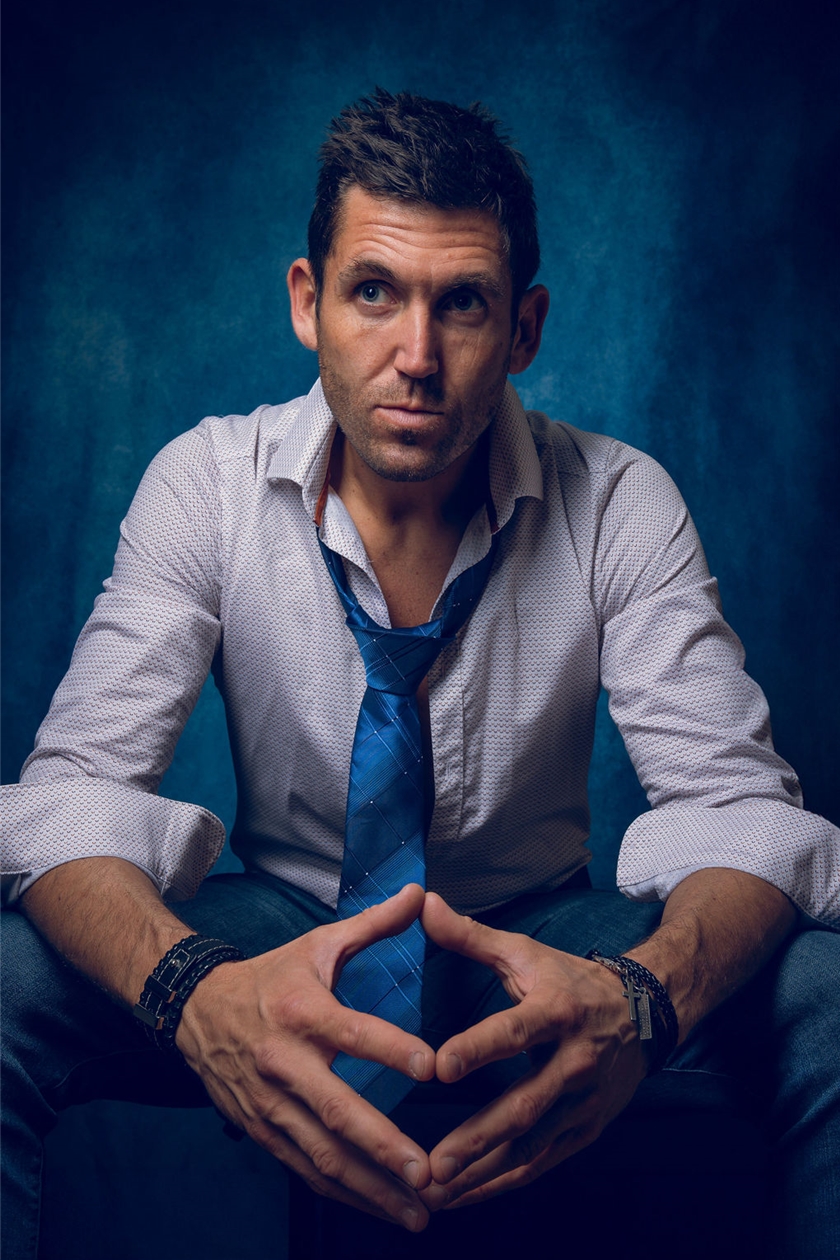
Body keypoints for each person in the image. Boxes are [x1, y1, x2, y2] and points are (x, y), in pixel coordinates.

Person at [2, 89, 838, 1260]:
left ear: (526, 328)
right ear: (308, 302)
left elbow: (742, 814)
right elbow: (67, 802)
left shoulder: (619, 502)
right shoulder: (205, 486)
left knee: (825, 995)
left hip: (537, 928)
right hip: (286, 919)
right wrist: (191, 989)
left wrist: (644, 1001)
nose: (417, 357)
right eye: (374, 293)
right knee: (6, 974)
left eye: (464, 304)